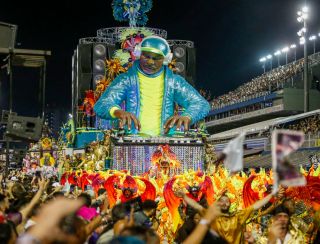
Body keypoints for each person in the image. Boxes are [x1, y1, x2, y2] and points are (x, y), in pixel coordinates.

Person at [94, 35, 210, 136]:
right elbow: (101, 105)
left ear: (165, 59)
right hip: (133, 143)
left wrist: (187, 116)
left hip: (164, 146)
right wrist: (118, 112)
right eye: (146, 56)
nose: (150, 62)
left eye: (156, 58)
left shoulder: (174, 82)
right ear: (139, 54)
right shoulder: (126, 79)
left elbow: (201, 104)